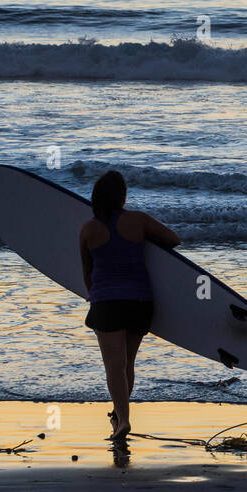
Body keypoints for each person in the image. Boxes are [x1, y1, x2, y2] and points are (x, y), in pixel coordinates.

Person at [78, 170, 179, 443]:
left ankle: (123, 420)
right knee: (127, 364)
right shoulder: (138, 220)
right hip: (139, 302)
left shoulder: (88, 229)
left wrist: (93, 295)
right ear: (122, 196)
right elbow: (173, 239)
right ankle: (117, 416)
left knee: (114, 366)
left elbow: (87, 271)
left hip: (107, 302)